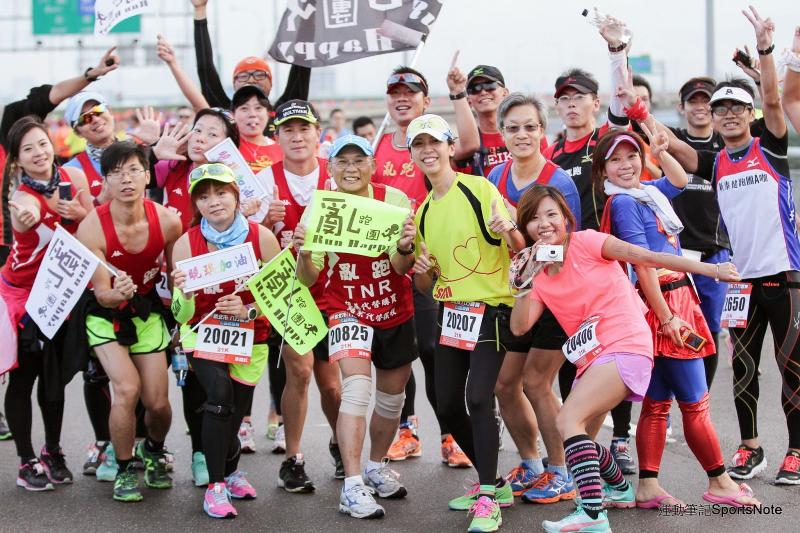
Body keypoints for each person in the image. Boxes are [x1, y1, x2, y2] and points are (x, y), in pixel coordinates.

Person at [511, 185, 745, 532]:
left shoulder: (588, 242)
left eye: (551, 214)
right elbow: (519, 327)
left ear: (565, 218)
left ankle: (593, 516)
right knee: (578, 437)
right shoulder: (541, 275)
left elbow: (646, 257)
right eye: (533, 218)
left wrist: (712, 270)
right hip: (593, 358)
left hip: (626, 343)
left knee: (568, 421)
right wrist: (522, 283)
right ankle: (619, 487)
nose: (543, 223)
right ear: (526, 227)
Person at [662, 7, 800, 486]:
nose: (728, 114)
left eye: (738, 107)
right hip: (741, 280)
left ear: (751, 113)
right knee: (742, 369)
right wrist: (640, 116)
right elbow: (671, 146)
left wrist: (765, 49)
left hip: (785, 275)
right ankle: (751, 447)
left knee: (792, 368)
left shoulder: (771, 148)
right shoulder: (715, 161)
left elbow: (775, 100)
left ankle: (796, 451)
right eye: (720, 109)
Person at [596, 125, 760, 508]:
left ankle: (648, 485)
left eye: (632, 156)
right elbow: (644, 264)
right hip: (667, 303)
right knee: (695, 401)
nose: (626, 165)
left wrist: (660, 151)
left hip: (668, 301)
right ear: (602, 170)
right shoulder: (624, 203)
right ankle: (720, 482)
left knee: (657, 403)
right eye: (615, 160)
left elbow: (680, 180)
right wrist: (668, 317)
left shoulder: (645, 192)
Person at [292, 135, 417, 519]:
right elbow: (307, 278)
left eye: (359, 160)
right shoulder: (320, 206)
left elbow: (401, 266)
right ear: (330, 168)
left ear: (373, 165)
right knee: (357, 390)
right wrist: (304, 252)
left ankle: (376, 466)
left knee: (392, 399)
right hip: (345, 307)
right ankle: (352, 484)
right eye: (342, 161)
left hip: (393, 307)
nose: (351, 168)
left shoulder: (394, 199)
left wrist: (406, 247)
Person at [410, 114, 524, 533]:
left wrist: (509, 230)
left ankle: (488, 497)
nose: (428, 151)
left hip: (492, 309)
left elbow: (519, 247)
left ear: (450, 146)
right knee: (445, 406)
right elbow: (426, 285)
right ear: (412, 155)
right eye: (419, 145)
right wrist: (421, 271)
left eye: (434, 142)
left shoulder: (479, 189)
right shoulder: (422, 212)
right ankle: (495, 484)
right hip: (452, 316)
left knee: (478, 398)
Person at [375, 60, 479, 467]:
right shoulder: (376, 146)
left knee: (434, 350)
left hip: (430, 264)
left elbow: (468, 143)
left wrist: (458, 94)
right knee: (398, 356)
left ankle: (451, 435)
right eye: (395, 94)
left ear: (425, 101)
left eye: (410, 94)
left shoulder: (433, 142)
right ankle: (407, 431)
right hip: (387, 266)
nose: (402, 100)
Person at [545, 20, 637, 474]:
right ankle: (582, 445)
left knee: (611, 355)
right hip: (564, 277)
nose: (571, 105)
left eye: (579, 97)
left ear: (594, 103)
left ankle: (618, 440)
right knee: (574, 360)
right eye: (564, 99)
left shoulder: (604, 142)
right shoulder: (552, 153)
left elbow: (624, 106)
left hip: (605, 269)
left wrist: (617, 50)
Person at [486, 93, 581, 502]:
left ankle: (564, 470)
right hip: (516, 297)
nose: (522, 135)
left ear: (543, 131)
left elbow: (570, 248)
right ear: (501, 133)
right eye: (513, 128)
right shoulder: (494, 178)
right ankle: (532, 464)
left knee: (537, 383)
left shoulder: (560, 181)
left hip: (556, 298)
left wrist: (517, 231)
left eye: (530, 127)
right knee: (504, 385)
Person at [170, 163, 280, 518]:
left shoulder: (261, 237)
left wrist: (248, 309)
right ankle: (215, 487)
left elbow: (283, 294)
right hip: (202, 332)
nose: (214, 202)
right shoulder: (186, 244)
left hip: (251, 336)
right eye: (204, 197)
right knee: (219, 397)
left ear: (235, 196)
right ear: (196, 204)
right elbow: (180, 314)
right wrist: (186, 292)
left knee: (234, 414)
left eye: (221, 193)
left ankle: (231, 473)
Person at [77, 141, 183, 502]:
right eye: (116, 173)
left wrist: (183, 310)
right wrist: (116, 292)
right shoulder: (92, 229)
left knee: (158, 403)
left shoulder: (168, 222)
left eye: (134, 170)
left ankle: (152, 450)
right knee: (126, 389)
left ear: (148, 175)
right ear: (105, 181)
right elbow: (102, 295)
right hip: (105, 315)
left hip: (146, 311)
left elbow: (177, 282)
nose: (126, 179)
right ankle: (123, 470)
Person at [250, 99, 343, 491]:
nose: (297, 136)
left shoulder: (336, 176)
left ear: (318, 133)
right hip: (290, 293)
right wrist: (264, 222)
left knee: (332, 384)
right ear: (277, 136)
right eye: (288, 130)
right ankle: (293, 458)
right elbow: (245, 243)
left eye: (304, 128)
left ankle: (341, 446)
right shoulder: (262, 182)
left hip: (334, 292)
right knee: (300, 371)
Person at [0, 116, 93, 491]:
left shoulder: (75, 179)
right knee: (25, 377)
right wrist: (30, 216)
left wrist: (82, 214)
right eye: (28, 149)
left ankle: (52, 450)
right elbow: (28, 215)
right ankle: (26, 461)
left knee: (54, 379)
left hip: (62, 293)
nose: (38, 153)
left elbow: (96, 226)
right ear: (17, 161)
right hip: (24, 297)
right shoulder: (22, 200)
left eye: (42, 144)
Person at [0, 46, 119, 265]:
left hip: (8, 241)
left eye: (41, 144)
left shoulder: (9, 122)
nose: (37, 151)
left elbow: (51, 95)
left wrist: (91, 75)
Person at [669, 77, 728, 387]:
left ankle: (701, 398)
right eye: (693, 101)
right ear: (682, 107)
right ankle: (671, 399)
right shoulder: (675, 140)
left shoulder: (727, 143)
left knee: (710, 328)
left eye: (707, 101)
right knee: (673, 326)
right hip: (675, 254)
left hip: (716, 253)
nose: (700, 106)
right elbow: (643, 128)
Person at [191, 0, 310, 126]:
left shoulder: (285, 113)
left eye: (259, 75)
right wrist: (200, 10)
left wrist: (308, 16)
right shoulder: (224, 114)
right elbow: (205, 68)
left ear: (271, 83)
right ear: (234, 84)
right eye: (243, 76)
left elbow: (301, 69)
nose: (252, 80)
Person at [63, 92, 161, 203]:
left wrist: (154, 142)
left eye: (98, 110)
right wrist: (100, 201)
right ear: (77, 132)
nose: (95, 119)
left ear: (110, 113)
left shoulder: (138, 153)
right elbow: (71, 213)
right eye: (84, 118)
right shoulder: (70, 171)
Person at [455, 65, 512, 177]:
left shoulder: (528, 133)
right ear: (468, 101)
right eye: (474, 89)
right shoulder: (464, 147)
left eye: (490, 85)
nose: (483, 92)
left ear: (505, 93)